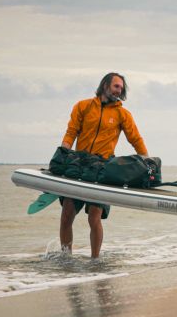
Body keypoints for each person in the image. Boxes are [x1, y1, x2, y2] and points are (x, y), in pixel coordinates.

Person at [59, 72, 148, 258]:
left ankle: (95, 261)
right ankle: (65, 258)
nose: (119, 91)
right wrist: (61, 155)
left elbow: (136, 139)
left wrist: (148, 162)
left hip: (102, 168)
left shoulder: (122, 114)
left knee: (94, 216)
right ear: (106, 85)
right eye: (116, 86)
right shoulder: (83, 106)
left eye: (121, 88)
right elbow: (71, 133)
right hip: (79, 163)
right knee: (67, 213)